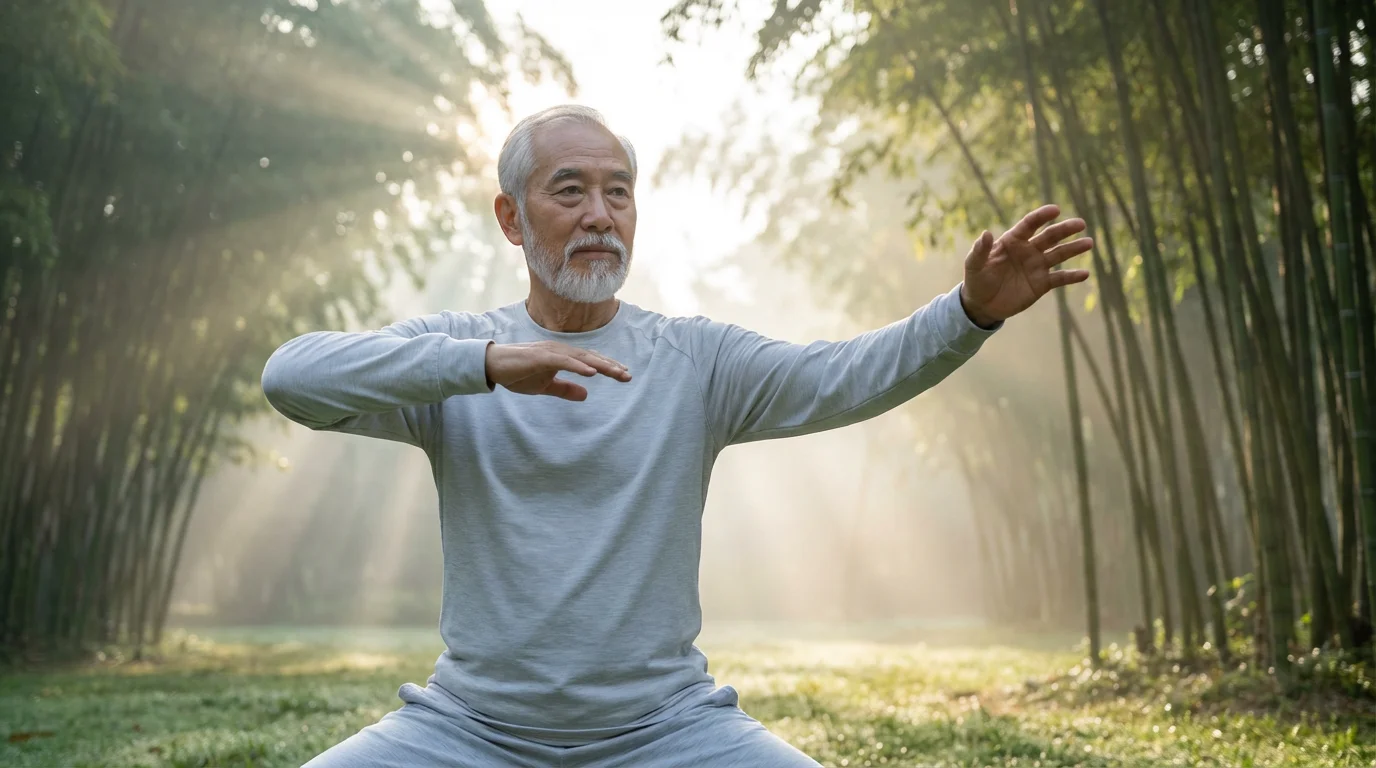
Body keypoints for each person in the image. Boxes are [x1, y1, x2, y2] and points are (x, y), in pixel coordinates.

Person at [262, 104, 1092, 767]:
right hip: (470, 730)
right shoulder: (453, 356)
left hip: (666, 730)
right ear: (511, 218)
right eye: (569, 191)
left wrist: (968, 312)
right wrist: (482, 363)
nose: (600, 215)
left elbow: (844, 377)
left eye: (618, 193)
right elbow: (291, 377)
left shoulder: (695, 360)